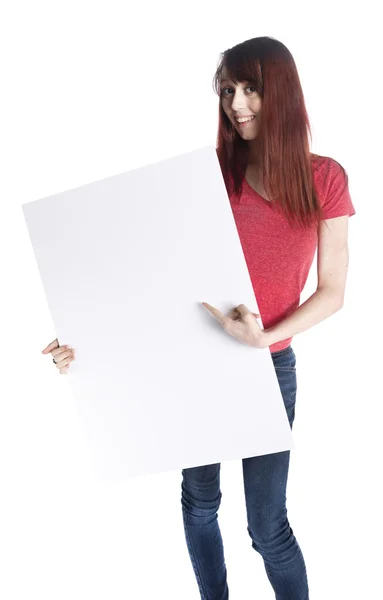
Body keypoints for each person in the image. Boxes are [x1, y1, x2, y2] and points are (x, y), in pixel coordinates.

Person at [41, 36, 355, 600]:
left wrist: (264, 337)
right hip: (194, 365)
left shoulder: (325, 177)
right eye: (229, 90)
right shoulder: (209, 173)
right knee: (200, 503)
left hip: (269, 369)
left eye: (251, 88)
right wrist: (82, 335)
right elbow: (147, 271)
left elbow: (333, 292)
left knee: (268, 528)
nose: (237, 104)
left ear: (281, 91)